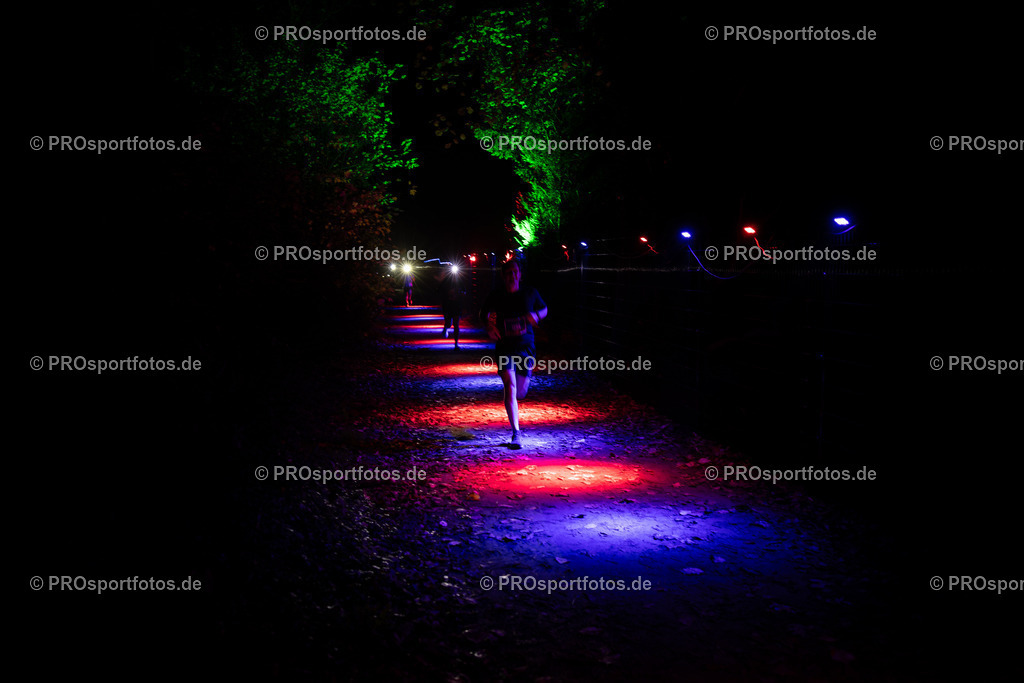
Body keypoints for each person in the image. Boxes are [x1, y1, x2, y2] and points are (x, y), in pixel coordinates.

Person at [479, 258, 547, 449]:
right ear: (503, 276)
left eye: (516, 272)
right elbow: (483, 313)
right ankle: (516, 433)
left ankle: (522, 384)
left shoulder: (529, 292)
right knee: (510, 385)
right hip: (504, 345)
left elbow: (544, 308)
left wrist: (536, 315)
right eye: (509, 273)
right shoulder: (496, 295)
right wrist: (488, 327)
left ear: (520, 274)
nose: (513, 276)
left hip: (525, 346)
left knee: (521, 392)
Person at [439, 269, 465, 349]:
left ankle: (456, 344)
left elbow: (464, 291)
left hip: (456, 305)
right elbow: (440, 291)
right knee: (448, 323)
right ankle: (445, 328)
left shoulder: (460, 281)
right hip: (448, 305)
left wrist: (461, 295)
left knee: (456, 324)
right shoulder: (446, 281)